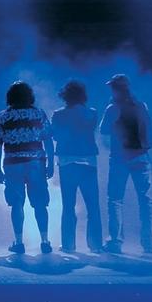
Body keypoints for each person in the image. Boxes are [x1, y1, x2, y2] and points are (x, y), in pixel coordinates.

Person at [0, 81, 54, 255]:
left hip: (13, 164)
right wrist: (50, 164)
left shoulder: (2, 117)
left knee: (17, 204)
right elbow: (48, 140)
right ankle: (45, 241)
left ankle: (19, 242)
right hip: (36, 163)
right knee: (40, 203)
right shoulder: (38, 113)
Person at [100, 74, 152, 254]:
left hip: (120, 159)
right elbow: (149, 130)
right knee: (146, 201)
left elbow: (103, 130)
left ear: (116, 89)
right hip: (141, 157)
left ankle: (115, 242)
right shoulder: (141, 105)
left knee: (115, 200)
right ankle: (149, 243)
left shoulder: (112, 107)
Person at [52, 80, 102, 254]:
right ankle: (95, 245)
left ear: (65, 96)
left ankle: (68, 245)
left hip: (67, 163)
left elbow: (55, 136)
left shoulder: (58, 114)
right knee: (93, 206)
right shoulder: (92, 113)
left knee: (68, 206)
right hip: (88, 163)